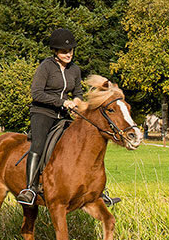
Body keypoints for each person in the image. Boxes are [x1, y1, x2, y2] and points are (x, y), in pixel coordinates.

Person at [15, 28, 119, 208]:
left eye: (70, 50)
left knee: (84, 145)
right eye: (64, 51)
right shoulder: (46, 67)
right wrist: (62, 102)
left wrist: (79, 102)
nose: (68, 54)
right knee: (38, 144)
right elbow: (37, 93)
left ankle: (98, 189)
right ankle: (30, 188)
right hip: (42, 113)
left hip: (63, 116)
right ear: (55, 52)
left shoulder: (74, 70)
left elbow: (77, 92)